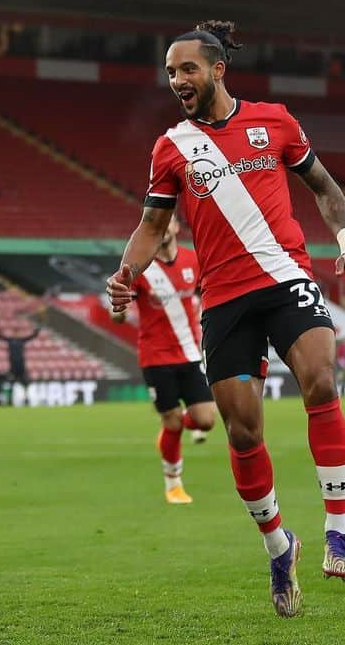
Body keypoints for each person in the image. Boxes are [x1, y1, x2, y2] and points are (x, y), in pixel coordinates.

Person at [107, 21, 345, 617]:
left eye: (188, 69)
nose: (177, 80)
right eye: (170, 72)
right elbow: (153, 225)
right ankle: (280, 546)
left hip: (287, 280)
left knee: (322, 382)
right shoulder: (171, 147)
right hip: (224, 299)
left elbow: (326, 188)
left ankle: (338, 527)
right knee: (243, 432)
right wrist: (127, 273)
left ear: (218, 69)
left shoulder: (275, 121)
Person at [109, 213, 215, 504]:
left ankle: (176, 423)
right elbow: (117, 315)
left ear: (177, 227)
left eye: (169, 222)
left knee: (206, 420)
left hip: (190, 353)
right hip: (155, 357)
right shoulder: (141, 266)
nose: (164, 227)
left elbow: (205, 292)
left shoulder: (194, 260)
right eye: (160, 222)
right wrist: (118, 309)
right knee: (171, 423)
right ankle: (174, 484)